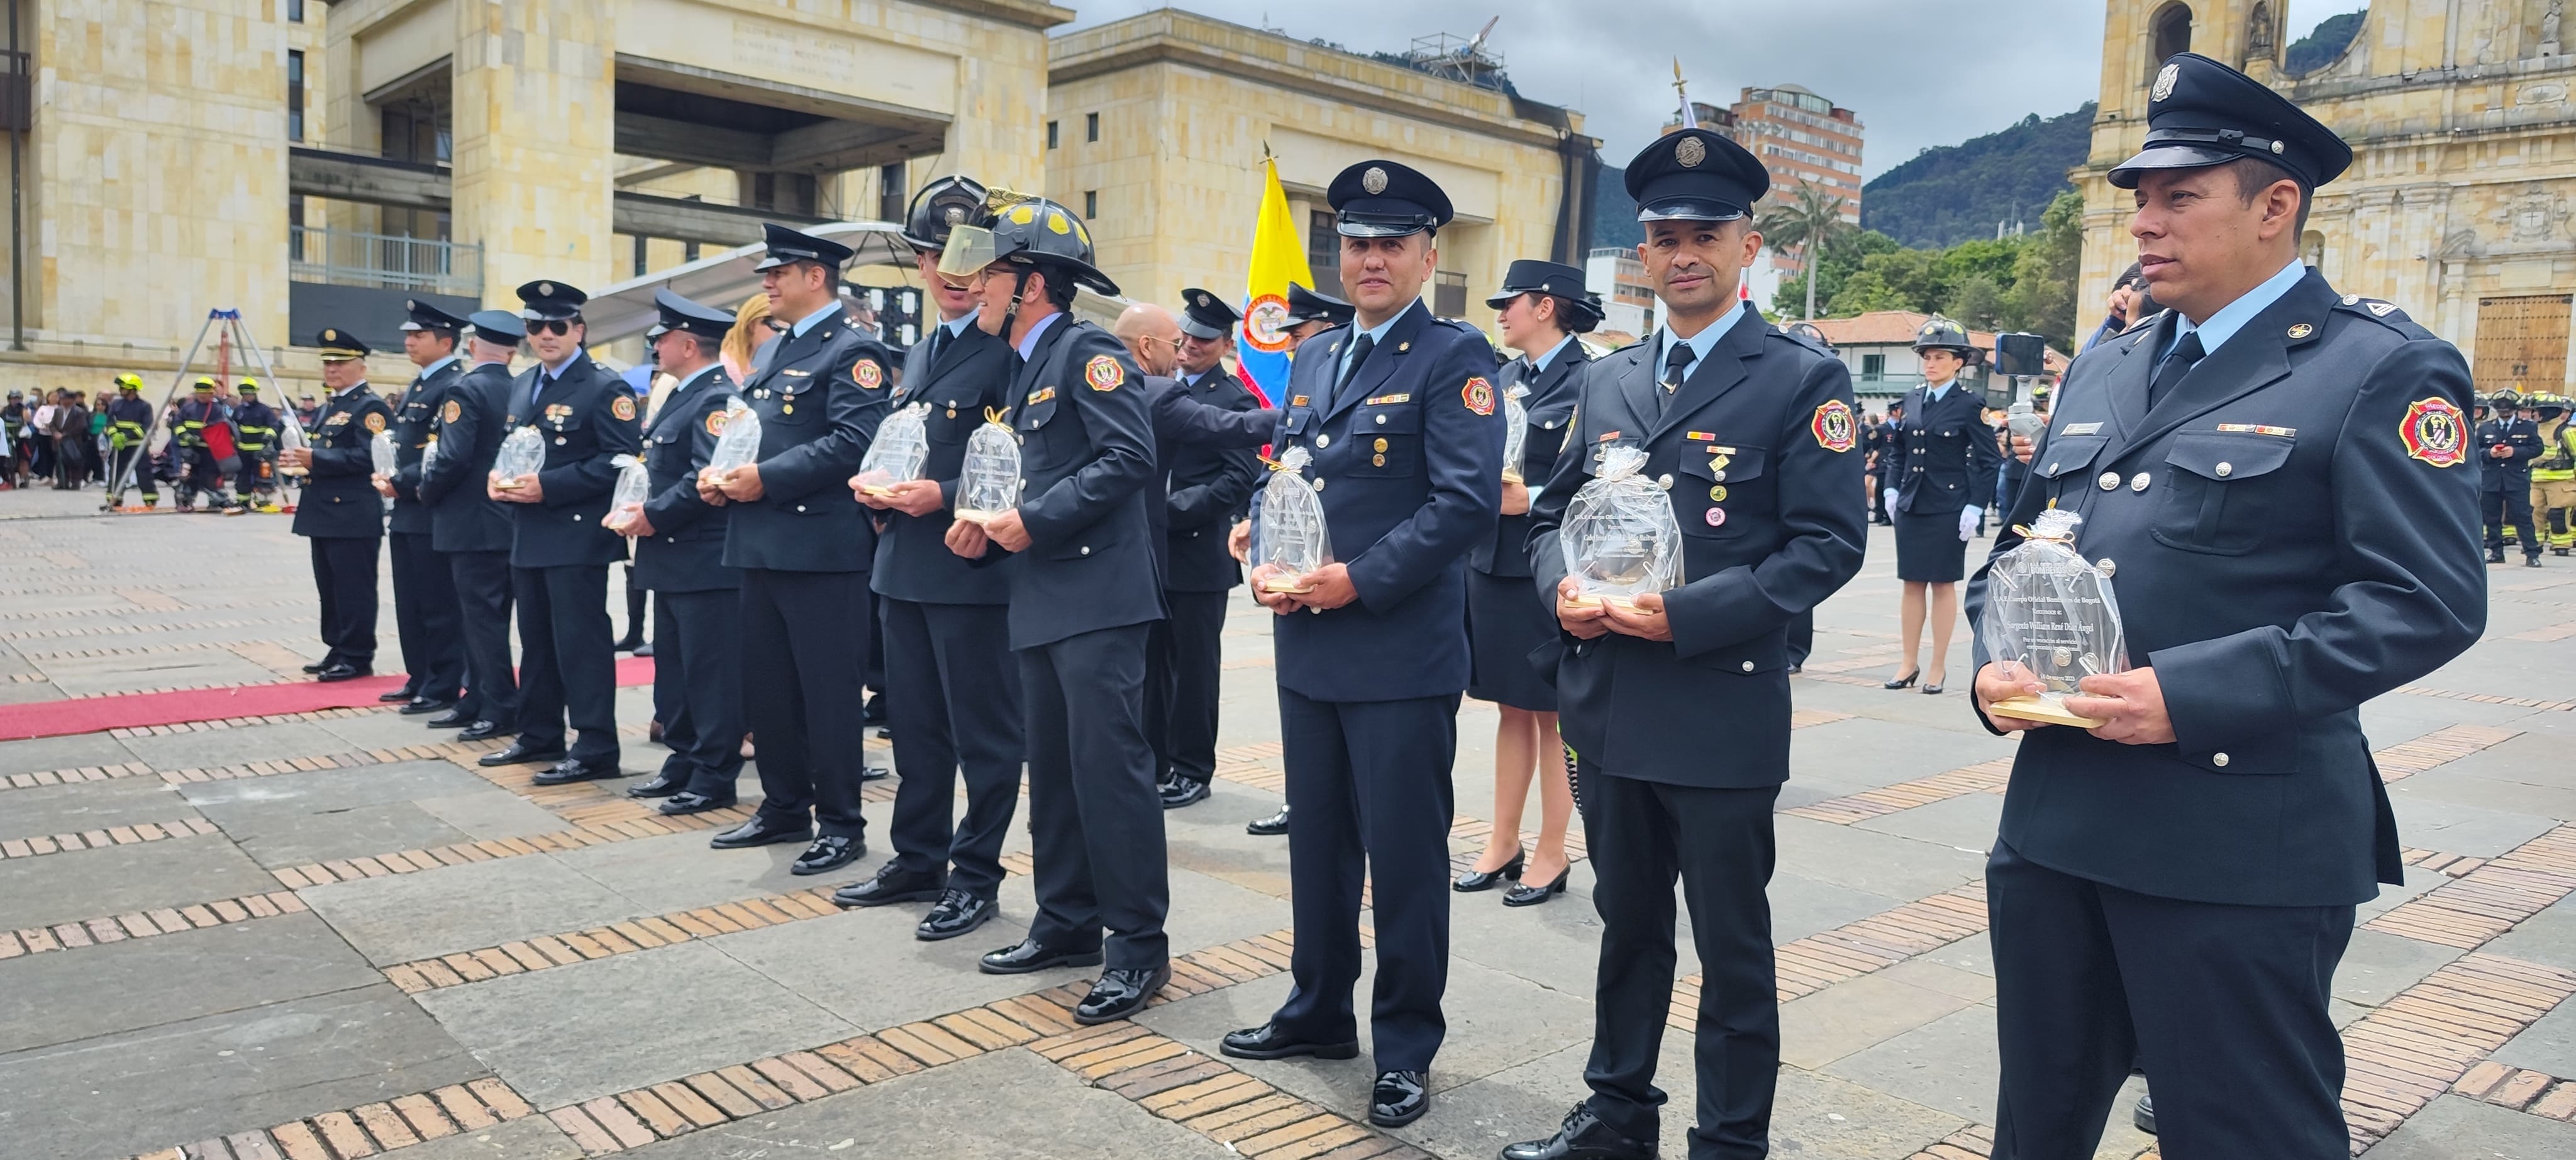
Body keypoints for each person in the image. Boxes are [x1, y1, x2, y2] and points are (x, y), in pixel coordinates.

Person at [1967, 51, 2486, 1159]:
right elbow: (2014, 549)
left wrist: (2190, 692)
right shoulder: (2106, 363)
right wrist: (1991, 659)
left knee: (2247, 1133)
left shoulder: (2372, 367)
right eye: (2140, 197)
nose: (2146, 222)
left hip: (2237, 839)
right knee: (2035, 1127)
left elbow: (2425, 597)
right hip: (2059, 819)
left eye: (2180, 195)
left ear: (2275, 206)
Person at [1501, 127, 1865, 1160]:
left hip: (1717, 701)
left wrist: (1690, 612)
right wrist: (1558, 589)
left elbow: (1827, 543)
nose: (1682, 253)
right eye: (1662, 236)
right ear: (1644, 255)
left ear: (1749, 246)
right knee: (1627, 924)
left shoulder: (1798, 377)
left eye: (1704, 233)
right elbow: (1546, 519)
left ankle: (1729, 1138)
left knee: (1731, 943)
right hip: (1609, 698)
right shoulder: (1609, 380)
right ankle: (1617, 1110)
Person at [1221, 159, 1501, 1129]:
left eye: (1391, 243)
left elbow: (1463, 505)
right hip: (1311, 648)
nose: (1371, 259)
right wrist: (1257, 529)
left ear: (1429, 254)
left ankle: (1408, 1046)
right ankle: (1317, 1009)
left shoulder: (1455, 358)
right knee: (1321, 846)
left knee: (1407, 857)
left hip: (1395, 650)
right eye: (1356, 242)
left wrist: (1359, 577)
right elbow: (1293, 469)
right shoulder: (1313, 356)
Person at [937, 194, 1170, 1024]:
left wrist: (1030, 520)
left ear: (1032, 282)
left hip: (1098, 601)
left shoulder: (1088, 351)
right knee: (1059, 777)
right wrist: (989, 526)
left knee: (1111, 777)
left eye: (991, 272)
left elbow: (1127, 458)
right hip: (1042, 596)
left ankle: (1137, 946)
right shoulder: (1025, 363)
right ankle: (1067, 921)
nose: (974, 286)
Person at [837, 176, 1026, 937]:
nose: (951, 272)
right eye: (933, 255)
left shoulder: (1010, 350)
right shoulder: (918, 351)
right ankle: (919, 855)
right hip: (904, 564)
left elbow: (1023, 461)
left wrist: (942, 495)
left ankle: (975, 874)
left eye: (970, 258)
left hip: (970, 565)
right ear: (917, 261)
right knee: (913, 728)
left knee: (982, 734)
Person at [699, 225, 891, 876]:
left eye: (779, 272)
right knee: (769, 688)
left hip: (819, 548)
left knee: (828, 692)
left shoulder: (853, 350)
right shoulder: (778, 349)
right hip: (758, 541)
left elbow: (852, 441)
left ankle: (840, 821)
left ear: (817, 277)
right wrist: (724, 475)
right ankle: (783, 803)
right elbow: (756, 433)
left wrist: (766, 478)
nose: (767, 283)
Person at [1455, 259, 1594, 908]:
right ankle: (1503, 839)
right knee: (1511, 709)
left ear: (1546, 306)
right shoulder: (1500, 378)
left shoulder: (1591, 376)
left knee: (1555, 714)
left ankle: (1551, 847)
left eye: (1511, 302)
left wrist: (1533, 494)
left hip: (1547, 560)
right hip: (1491, 561)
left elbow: (1604, 480)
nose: (1501, 312)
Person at [478, 281, 638, 785]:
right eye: (534, 326)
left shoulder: (603, 386)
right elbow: (515, 447)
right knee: (537, 641)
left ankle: (594, 745)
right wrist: (498, 477)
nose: (545, 335)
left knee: (580, 644)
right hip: (528, 532)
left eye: (558, 326)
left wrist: (547, 487)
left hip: (576, 535)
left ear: (580, 330)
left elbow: (618, 464)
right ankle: (539, 732)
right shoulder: (525, 383)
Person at [612, 289, 747, 815]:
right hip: (672, 560)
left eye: (662, 337)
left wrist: (653, 514)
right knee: (676, 671)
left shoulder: (714, 398)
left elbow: (703, 478)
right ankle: (684, 758)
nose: (656, 345)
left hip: (702, 561)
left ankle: (714, 773)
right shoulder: (684, 393)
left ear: (688, 345)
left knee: (709, 674)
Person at [1234, 279, 1355, 837]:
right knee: (1317, 837)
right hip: (1299, 611)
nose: (1290, 347)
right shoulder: (1308, 370)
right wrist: (1263, 557)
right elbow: (1277, 473)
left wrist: (1357, 578)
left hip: (1372, 616)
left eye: (1299, 334)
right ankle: (1296, 797)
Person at [1148, 288, 1263, 810]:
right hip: (1150, 555)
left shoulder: (1235, 401)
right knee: (1150, 667)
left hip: (1196, 555)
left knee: (1193, 669)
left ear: (1225, 343)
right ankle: (1152, 762)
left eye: (1202, 339)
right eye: (1186, 335)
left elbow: (1236, 480)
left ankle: (1192, 768)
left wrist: (1169, 512)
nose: (1190, 346)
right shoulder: (1155, 388)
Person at [419, 310, 524, 742]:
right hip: (507, 518)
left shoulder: (466, 389)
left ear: (473, 346)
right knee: (491, 618)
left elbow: (453, 457)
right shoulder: (521, 389)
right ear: (512, 351)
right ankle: (477, 697)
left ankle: (497, 704)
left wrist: (426, 490)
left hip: (470, 520)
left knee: (479, 620)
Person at [1880, 320, 1997, 694]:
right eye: (1927, 356)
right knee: (1911, 584)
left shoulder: (1969, 404)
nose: (1931, 363)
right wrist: (1890, 489)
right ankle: (1908, 662)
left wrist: (1976, 506)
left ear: (1958, 362)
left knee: (1942, 584)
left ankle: (1937, 666)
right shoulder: (1912, 399)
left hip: (1949, 505)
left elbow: (1988, 460)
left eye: (1940, 357)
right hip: (1912, 502)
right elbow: (1897, 452)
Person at [281, 328, 392, 682]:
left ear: (361, 367)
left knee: (353, 588)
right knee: (329, 588)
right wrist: (305, 461)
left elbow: (371, 456)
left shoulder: (370, 406)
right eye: (328, 363)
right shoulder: (334, 405)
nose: (332, 369)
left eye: (341, 363)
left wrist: (317, 459)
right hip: (324, 510)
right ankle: (338, 646)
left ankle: (358, 654)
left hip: (352, 512)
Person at [378, 301, 470, 717]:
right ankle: (421, 675)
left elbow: (443, 455)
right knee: (410, 603)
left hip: (430, 509)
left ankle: (444, 682)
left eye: (419, 335)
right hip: (407, 512)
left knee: (438, 605)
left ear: (446, 341)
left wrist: (401, 482)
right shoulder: (420, 384)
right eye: (409, 334)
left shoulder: (452, 386)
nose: (409, 341)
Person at [2477, 389, 2543, 566]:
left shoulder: (2528, 427)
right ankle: (2496, 551)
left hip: (2516, 480)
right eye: (2501, 409)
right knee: (2492, 518)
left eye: (2507, 409)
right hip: (2491, 479)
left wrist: (2516, 452)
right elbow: (2475, 452)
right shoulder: (2485, 428)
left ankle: (2532, 554)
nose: (2504, 412)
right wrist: (2490, 453)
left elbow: (2538, 448)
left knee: (2522, 516)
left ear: (2515, 409)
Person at [170, 378, 231, 509]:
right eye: (200, 392)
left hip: (209, 450)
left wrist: (202, 438)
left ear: (212, 394)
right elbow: (178, 423)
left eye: (206, 393)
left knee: (210, 476)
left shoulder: (217, 409)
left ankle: (216, 500)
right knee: (190, 476)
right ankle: (187, 499)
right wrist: (185, 435)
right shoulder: (188, 407)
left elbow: (219, 428)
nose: (202, 396)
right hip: (192, 450)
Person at [2529, 393, 2575, 556]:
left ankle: (2561, 544)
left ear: (2547, 411)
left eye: (2536, 410)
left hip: (2561, 480)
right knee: (2534, 511)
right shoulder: (2534, 429)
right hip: (2536, 479)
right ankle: (2535, 542)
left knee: (2557, 513)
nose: (2533, 414)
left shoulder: (2565, 432)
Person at [104, 375, 157, 510]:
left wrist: (126, 436)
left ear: (132, 389)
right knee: (116, 473)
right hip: (120, 446)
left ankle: (150, 500)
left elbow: (147, 427)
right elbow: (110, 422)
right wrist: (114, 434)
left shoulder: (145, 406)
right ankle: (114, 500)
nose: (120, 390)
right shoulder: (116, 404)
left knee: (143, 472)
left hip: (138, 446)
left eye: (123, 387)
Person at [230, 381, 283, 512]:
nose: (248, 396)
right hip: (243, 451)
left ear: (255, 394)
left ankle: (262, 501)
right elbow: (233, 427)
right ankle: (243, 501)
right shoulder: (239, 411)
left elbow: (274, 426)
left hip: (261, 451)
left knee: (262, 477)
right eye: (245, 394)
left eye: (250, 393)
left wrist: (269, 435)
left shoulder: (264, 410)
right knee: (243, 478)